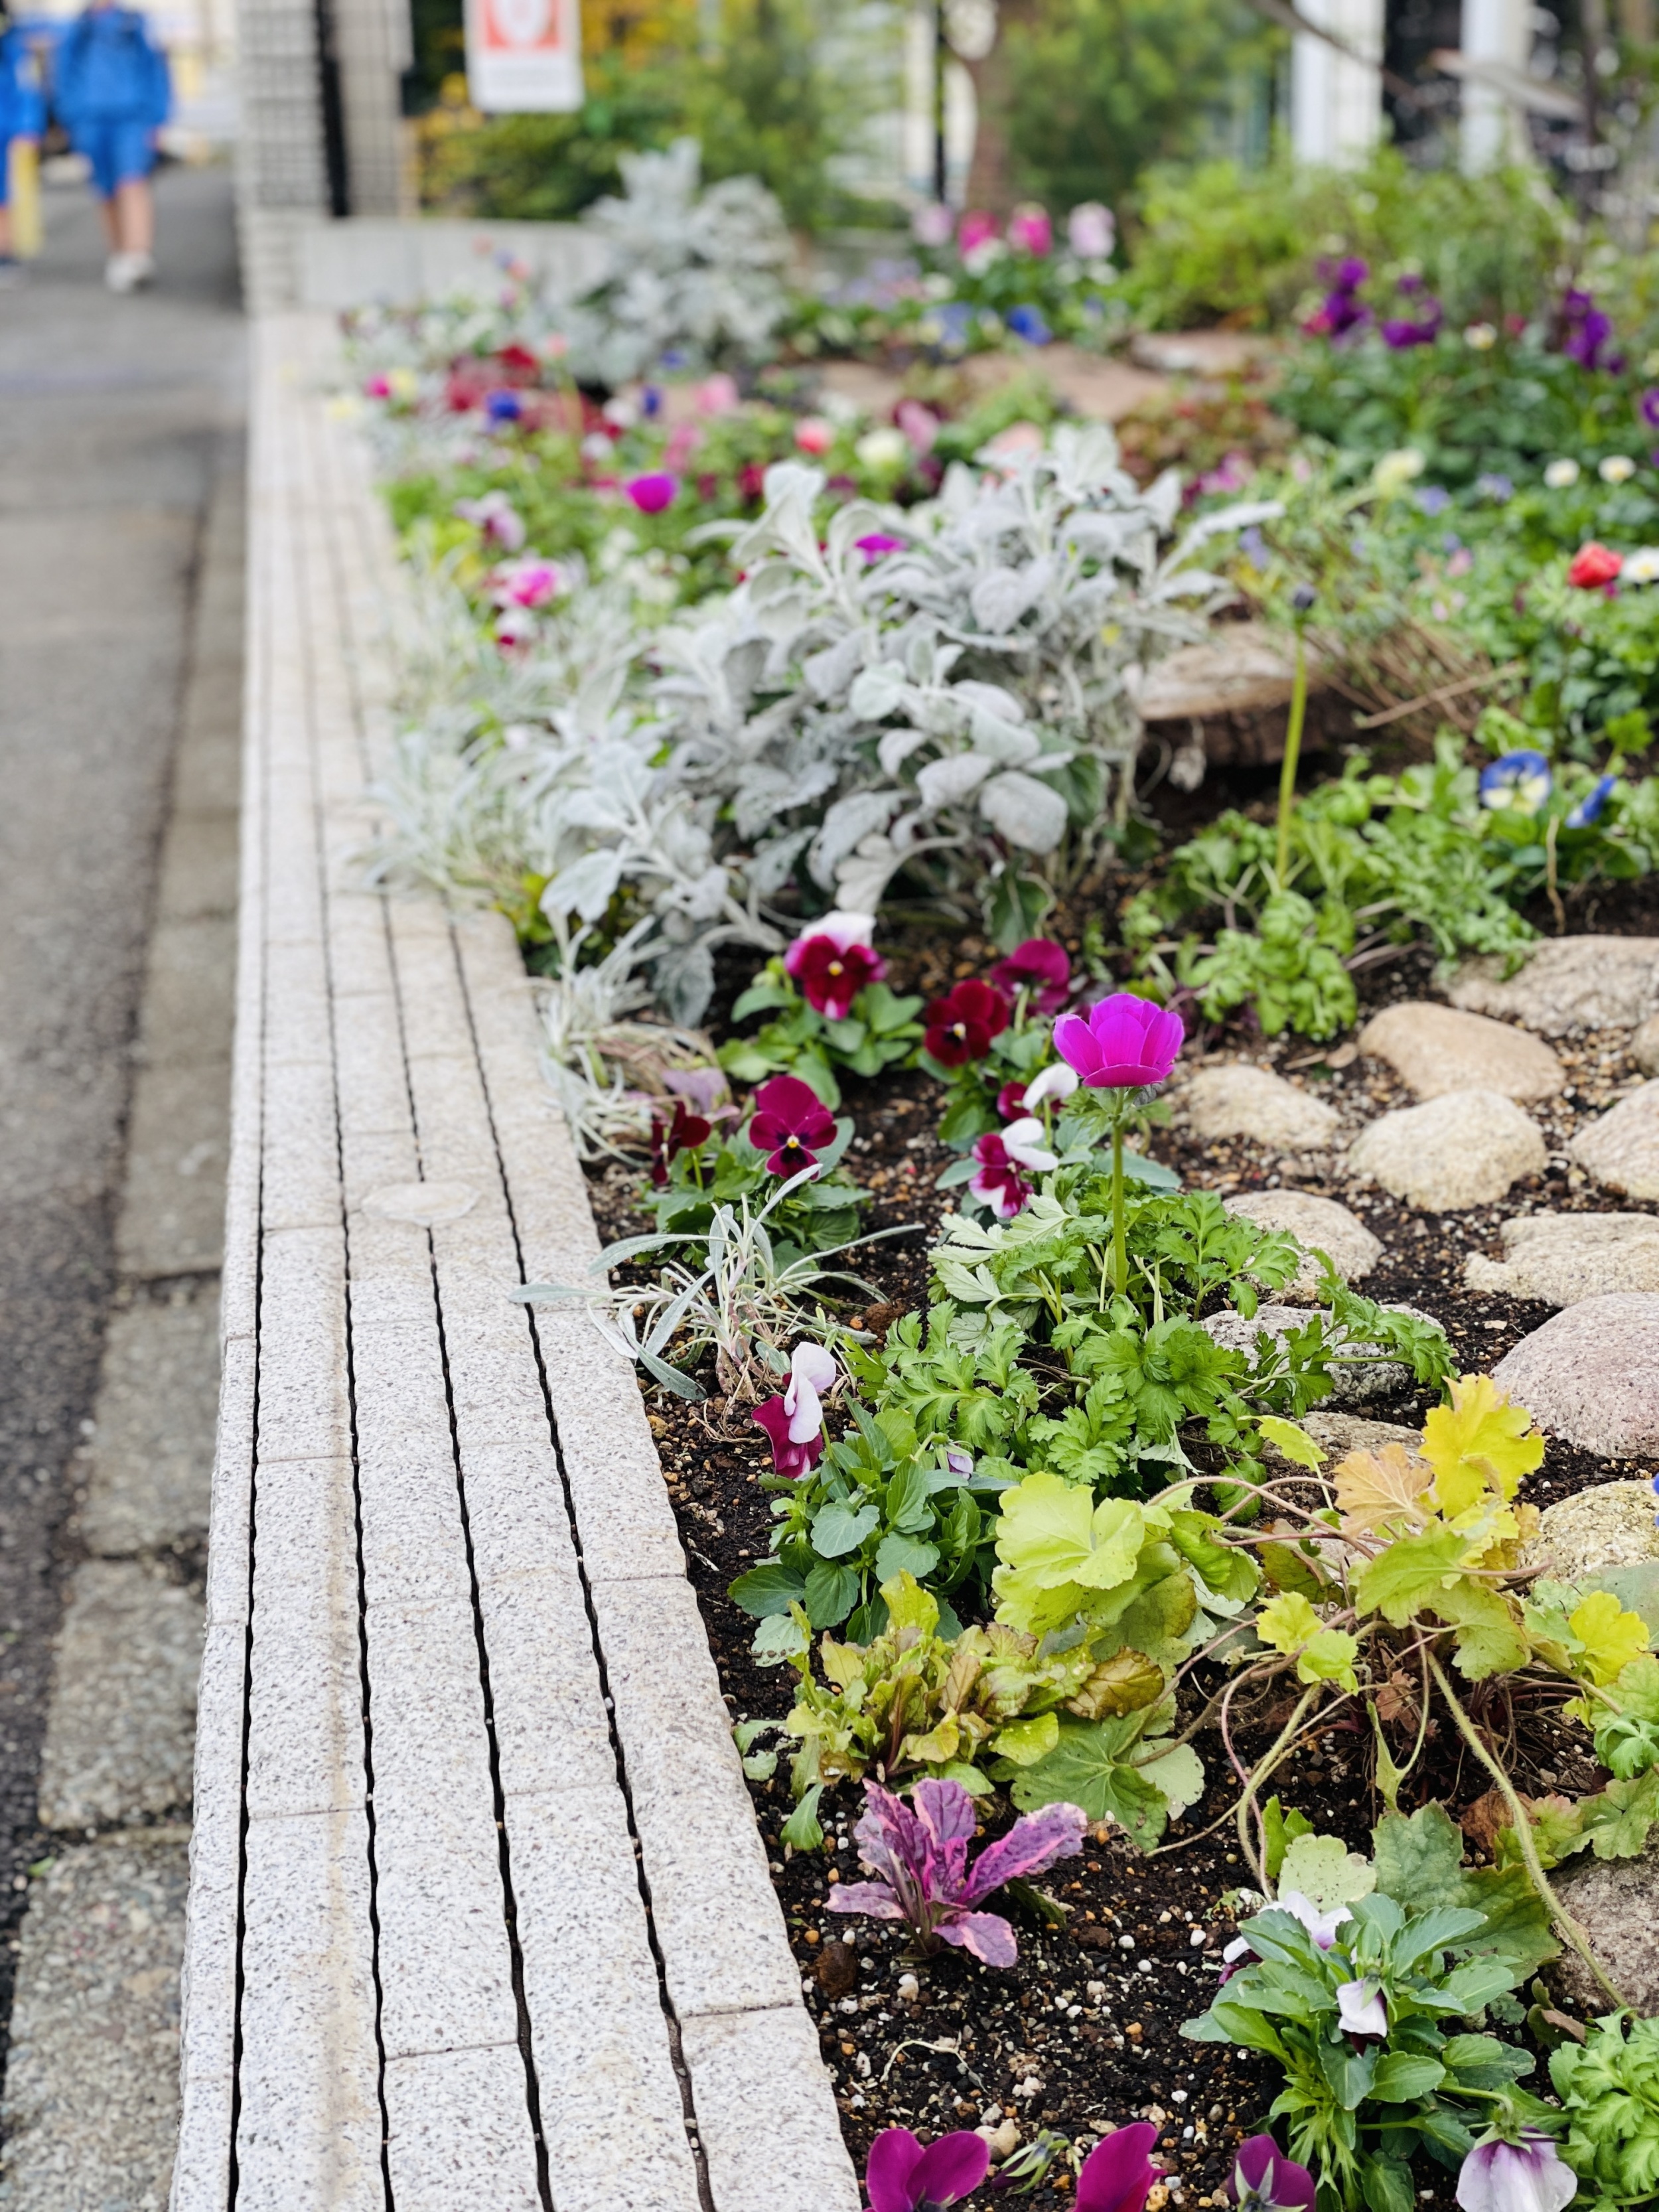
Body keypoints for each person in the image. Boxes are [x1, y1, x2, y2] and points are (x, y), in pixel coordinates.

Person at [53, 0, 169, 293]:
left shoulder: (134, 24)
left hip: (131, 119)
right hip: (91, 123)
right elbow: (63, 77)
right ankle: (119, 254)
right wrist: (72, 119)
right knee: (105, 191)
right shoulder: (77, 29)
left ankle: (137, 255)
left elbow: (155, 71)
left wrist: (156, 118)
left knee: (132, 183)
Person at [0, 6, 45, 287]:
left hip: (7, 129)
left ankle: (5, 253)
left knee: (5, 196)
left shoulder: (14, 45)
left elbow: (28, 87)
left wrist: (28, 126)